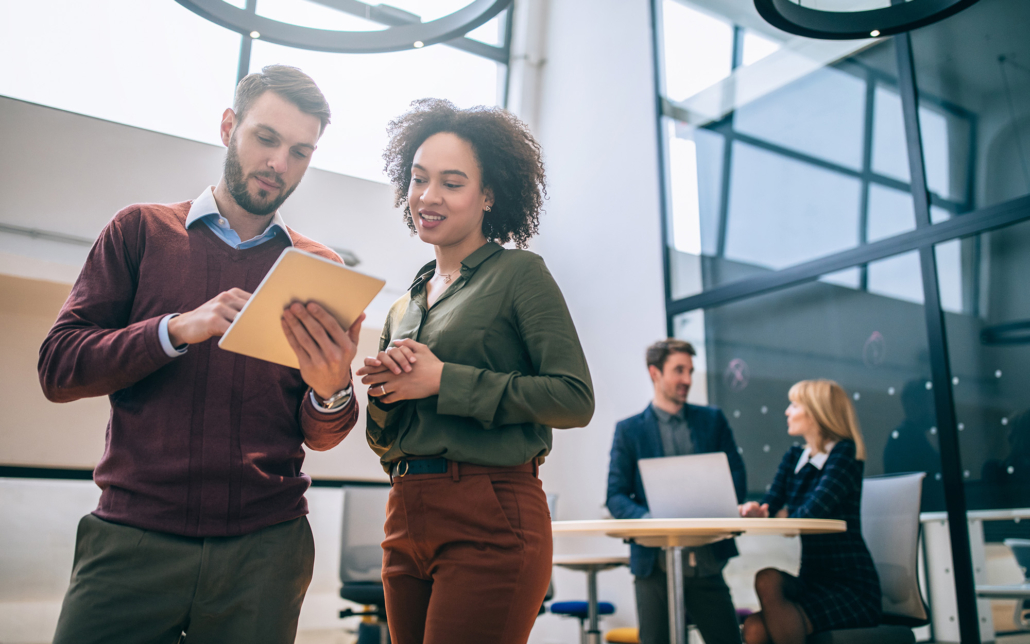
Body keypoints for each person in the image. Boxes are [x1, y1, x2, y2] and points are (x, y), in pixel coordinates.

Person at [38, 65, 363, 644]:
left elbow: (325, 433)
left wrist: (330, 388)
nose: (279, 164)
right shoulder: (140, 231)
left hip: (266, 550)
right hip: (133, 540)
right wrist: (174, 330)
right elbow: (59, 367)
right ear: (228, 126)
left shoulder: (322, 272)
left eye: (300, 151)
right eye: (266, 139)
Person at [355, 98, 594, 644]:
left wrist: (444, 380)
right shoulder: (403, 305)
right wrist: (388, 397)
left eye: (451, 182)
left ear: (488, 195)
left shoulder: (519, 274)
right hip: (404, 511)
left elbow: (573, 398)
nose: (428, 197)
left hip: (491, 513)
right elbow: (386, 442)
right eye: (418, 179)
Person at [607, 339, 746, 644]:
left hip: (706, 560)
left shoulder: (713, 420)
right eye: (679, 370)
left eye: (690, 371)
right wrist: (651, 520)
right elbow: (615, 495)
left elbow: (737, 478)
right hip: (654, 565)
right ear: (654, 373)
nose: (687, 380)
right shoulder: (629, 430)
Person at [739, 380, 881, 644]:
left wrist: (784, 516)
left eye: (794, 405)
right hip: (813, 579)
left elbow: (813, 512)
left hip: (850, 586)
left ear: (816, 412)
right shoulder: (794, 457)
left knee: (759, 625)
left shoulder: (844, 453)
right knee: (761, 598)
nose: (787, 412)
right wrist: (755, 510)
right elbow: (771, 505)